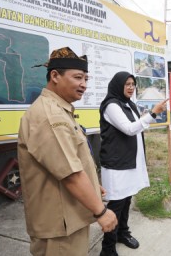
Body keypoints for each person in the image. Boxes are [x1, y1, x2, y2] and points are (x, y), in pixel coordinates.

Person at [18, 47, 118, 256]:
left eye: (86, 79)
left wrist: (91, 183)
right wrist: (101, 211)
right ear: (55, 76)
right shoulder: (50, 116)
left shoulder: (59, 110)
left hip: (68, 217)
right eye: (78, 77)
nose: (84, 84)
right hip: (60, 228)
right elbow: (71, 175)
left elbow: (69, 160)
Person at [99, 71, 168, 256]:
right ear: (117, 85)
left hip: (130, 161)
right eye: (127, 84)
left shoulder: (129, 104)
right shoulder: (111, 106)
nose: (131, 87)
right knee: (115, 206)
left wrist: (147, 115)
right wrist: (153, 113)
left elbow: (137, 125)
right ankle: (107, 249)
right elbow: (130, 129)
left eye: (133, 84)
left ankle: (123, 233)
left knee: (127, 199)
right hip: (117, 165)